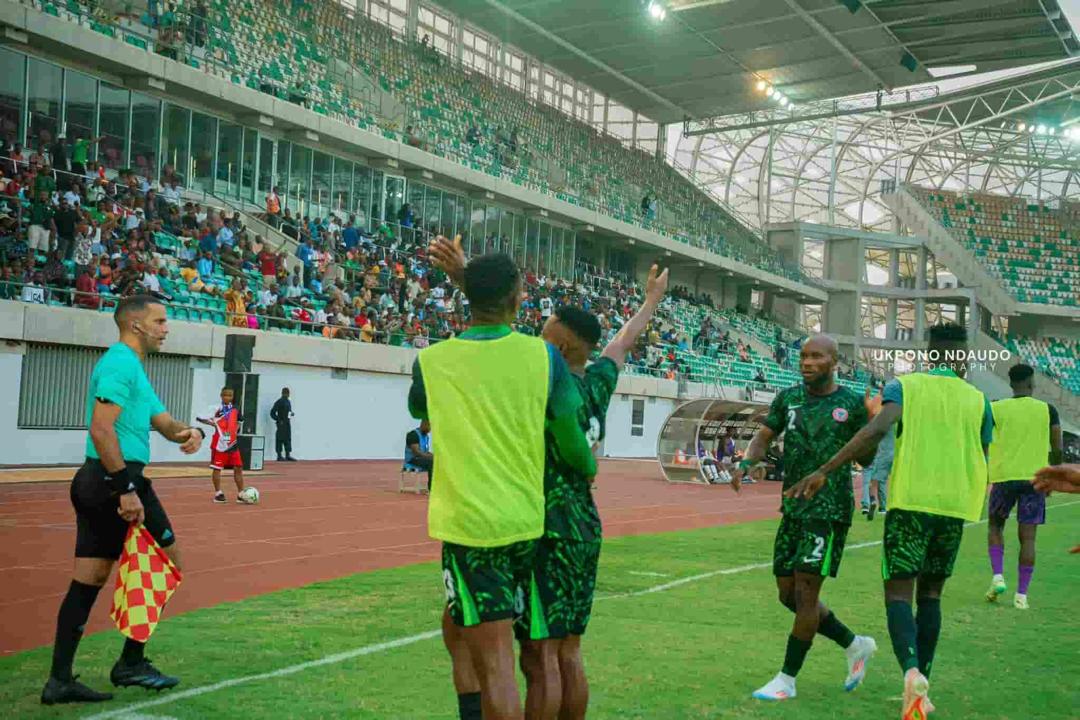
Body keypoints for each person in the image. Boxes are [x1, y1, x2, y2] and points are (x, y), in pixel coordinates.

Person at [408, 245, 596, 720]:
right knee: (529, 659)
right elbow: (573, 443)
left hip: (469, 527)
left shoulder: (430, 361)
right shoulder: (544, 358)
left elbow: (419, 409)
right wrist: (589, 469)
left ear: (467, 297)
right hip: (528, 525)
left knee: (492, 663)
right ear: (517, 299)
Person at [789, 323, 994, 720]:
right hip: (954, 508)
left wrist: (826, 469)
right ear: (963, 357)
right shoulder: (979, 400)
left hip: (911, 503)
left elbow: (878, 429)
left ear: (930, 354)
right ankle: (922, 687)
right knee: (931, 595)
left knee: (899, 593)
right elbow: (983, 452)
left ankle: (911, 672)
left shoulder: (905, 387)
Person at [41, 295, 205, 705]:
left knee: (90, 579)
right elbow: (101, 429)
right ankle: (131, 662)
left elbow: (164, 424)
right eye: (160, 321)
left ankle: (60, 681)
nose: (166, 329)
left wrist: (190, 433)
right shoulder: (119, 363)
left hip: (101, 480)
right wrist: (125, 489)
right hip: (115, 480)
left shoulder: (135, 369)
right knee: (168, 563)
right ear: (135, 325)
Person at [735, 335, 878, 703]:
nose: (807, 362)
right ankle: (854, 644)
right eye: (803, 356)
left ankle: (787, 679)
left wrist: (872, 422)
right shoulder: (788, 398)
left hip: (828, 510)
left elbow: (866, 458)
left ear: (834, 362)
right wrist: (748, 460)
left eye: (816, 356)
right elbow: (764, 435)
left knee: (807, 593)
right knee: (788, 595)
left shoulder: (851, 403)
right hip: (793, 507)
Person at [985, 363, 1062, 609]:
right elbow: (1057, 447)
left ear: (1010, 383)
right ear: (1032, 383)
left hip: (1004, 476)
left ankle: (998, 576)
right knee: (1028, 538)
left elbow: (983, 438)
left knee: (995, 526)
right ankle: (1021, 596)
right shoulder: (1047, 410)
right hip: (1034, 479)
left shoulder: (995, 408)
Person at [197, 387, 250, 504]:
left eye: (230, 395)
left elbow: (240, 421)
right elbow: (200, 417)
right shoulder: (216, 408)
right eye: (225, 395)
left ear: (232, 397)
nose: (227, 397)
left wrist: (235, 430)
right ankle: (218, 493)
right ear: (221, 396)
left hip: (232, 443)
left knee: (238, 467)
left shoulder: (235, 409)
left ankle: (241, 494)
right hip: (219, 443)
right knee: (217, 468)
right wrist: (213, 424)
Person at [404, 419, 433, 488]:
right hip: (412, 459)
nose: (429, 430)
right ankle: (431, 487)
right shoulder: (413, 434)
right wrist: (429, 457)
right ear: (423, 424)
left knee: (439, 461)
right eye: (429, 427)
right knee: (432, 462)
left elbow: (425, 451)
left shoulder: (426, 436)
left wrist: (433, 455)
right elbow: (416, 452)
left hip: (421, 458)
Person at [270, 387, 296, 461]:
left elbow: (288, 412)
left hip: (287, 422)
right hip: (281, 423)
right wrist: (278, 419)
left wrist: (291, 414)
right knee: (280, 439)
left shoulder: (288, 402)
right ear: (284, 393)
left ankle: (288, 455)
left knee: (288, 438)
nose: (288, 395)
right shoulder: (279, 401)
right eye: (287, 393)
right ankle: (279, 455)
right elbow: (272, 413)